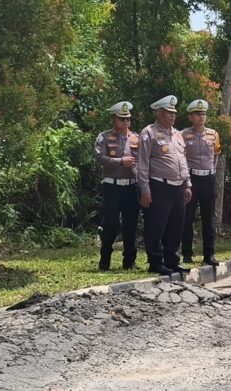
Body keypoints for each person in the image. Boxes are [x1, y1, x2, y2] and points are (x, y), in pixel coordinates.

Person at [137, 95, 192, 276]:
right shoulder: (149, 133)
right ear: (159, 113)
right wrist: (145, 189)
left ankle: (172, 260)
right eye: (168, 112)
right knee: (156, 225)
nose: (172, 116)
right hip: (159, 185)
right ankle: (155, 262)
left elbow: (182, 160)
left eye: (174, 113)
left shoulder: (177, 134)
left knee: (176, 226)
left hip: (178, 186)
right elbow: (143, 163)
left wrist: (188, 183)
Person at [95, 101, 141, 271]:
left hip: (131, 186)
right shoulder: (104, 137)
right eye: (122, 119)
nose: (125, 122)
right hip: (112, 186)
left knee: (131, 225)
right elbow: (100, 158)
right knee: (111, 224)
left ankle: (129, 262)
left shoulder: (136, 138)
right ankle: (105, 260)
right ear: (113, 119)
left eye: (128, 119)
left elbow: (142, 160)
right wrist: (121, 161)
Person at [180, 99, 222, 267]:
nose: (201, 117)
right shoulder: (183, 134)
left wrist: (212, 172)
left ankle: (209, 254)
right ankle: (187, 254)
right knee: (187, 217)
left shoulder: (213, 134)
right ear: (190, 117)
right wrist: (186, 181)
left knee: (208, 217)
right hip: (191, 178)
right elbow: (181, 158)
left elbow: (216, 155)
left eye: (203, 114)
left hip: (208, 178)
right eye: (197, 114)